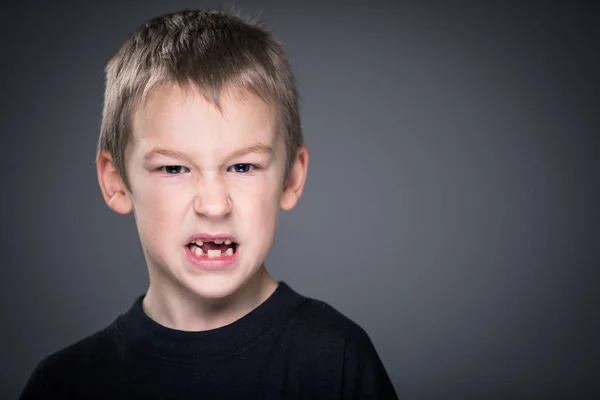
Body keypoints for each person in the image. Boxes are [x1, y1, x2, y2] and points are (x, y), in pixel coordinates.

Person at [20, 8, 398, 399]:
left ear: (292, 177)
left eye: (243, 166)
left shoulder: (336, 360)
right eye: (173, 169)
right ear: (117, 183)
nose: (214, 205)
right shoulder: (64, 383)